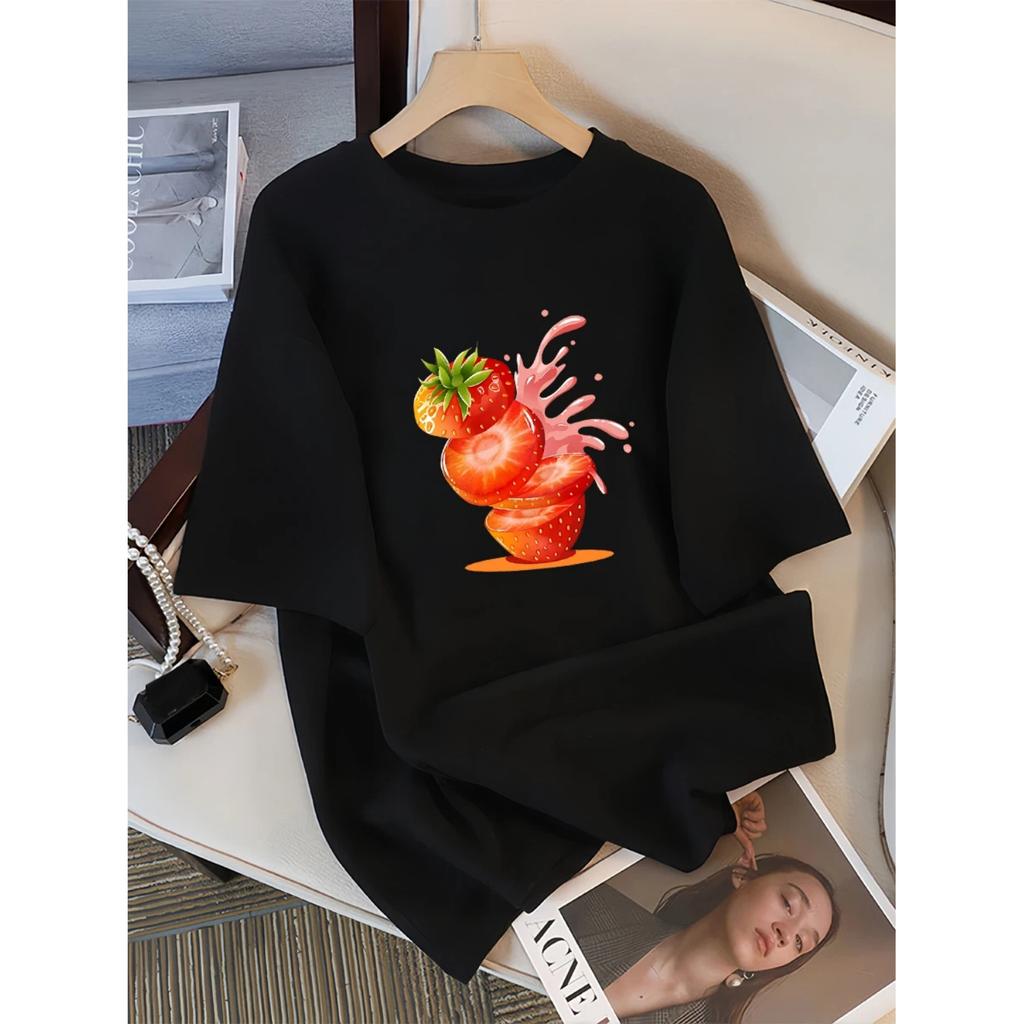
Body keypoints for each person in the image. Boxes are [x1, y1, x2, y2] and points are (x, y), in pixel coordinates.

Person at [560, 795, 840, 1024]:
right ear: (743, 875)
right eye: (788, 903)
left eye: (800, 942)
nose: (786, 935)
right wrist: (710, 811)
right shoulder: (589, 907)